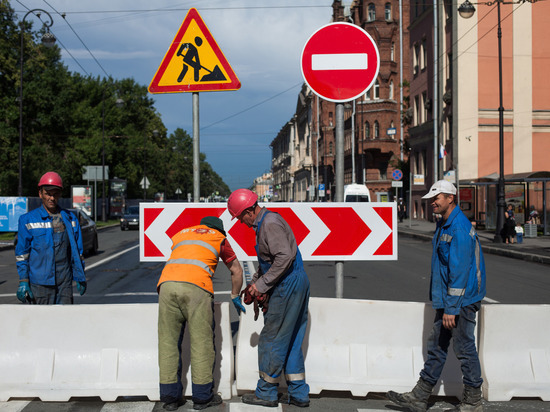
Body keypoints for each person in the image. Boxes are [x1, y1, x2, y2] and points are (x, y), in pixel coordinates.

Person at [387, 180, 486, 412]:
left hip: (461, 301)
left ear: (450, 198)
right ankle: (420, 396)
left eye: (437, 198)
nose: (433, 202)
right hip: (450, 300)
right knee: (437, 345)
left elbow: (459, 272)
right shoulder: (445, 223)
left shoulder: (458, 228)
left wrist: (451, 308)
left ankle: (473, 400)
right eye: (432, 198)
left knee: (463, 347)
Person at [227, 189, 310, 408]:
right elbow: (271, 261)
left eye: (240, 217)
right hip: (294, 281)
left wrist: (262, 285)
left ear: (249, 211)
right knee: (291, 339)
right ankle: (299, 392)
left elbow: (284, 257)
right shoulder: (268, 222)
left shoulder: (269, 223)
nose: (241, 223)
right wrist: (256, 281)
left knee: (271, 339)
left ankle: (266, 392)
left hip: (287, 285)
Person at [157, 216, 245, 411]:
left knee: (168, 342)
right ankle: (202, 398)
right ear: (219, 230)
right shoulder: (219, 238)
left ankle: (170, 398)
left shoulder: (181, 234)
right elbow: (236, 270)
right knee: (201, 342)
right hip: (196, 287)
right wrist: (234, 295)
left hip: (166, 284)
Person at [15, 172, 87, 305]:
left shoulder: (70, 219)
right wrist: (23, 281)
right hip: (39, 284)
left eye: (55, 194)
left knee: (63, 321)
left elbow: (78, 252)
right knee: (40, 323)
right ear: (40, 193)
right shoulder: (27, 220)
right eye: (48, 193)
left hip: (64, 283)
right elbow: (22, 255)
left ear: (60, 194)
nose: (52, 198)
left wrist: (80, 275)